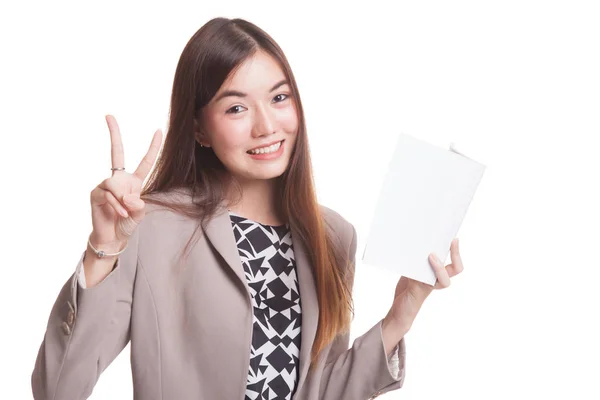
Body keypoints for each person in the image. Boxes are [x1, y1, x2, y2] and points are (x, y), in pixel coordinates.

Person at [31, 17, 463, 400]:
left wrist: (400, 314)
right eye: (237, 107)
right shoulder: (152, 225)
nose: (266, 126)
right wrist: (103, 249)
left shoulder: (332, 235)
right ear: (199, 128)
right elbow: (57, 391)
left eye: (279, 98)